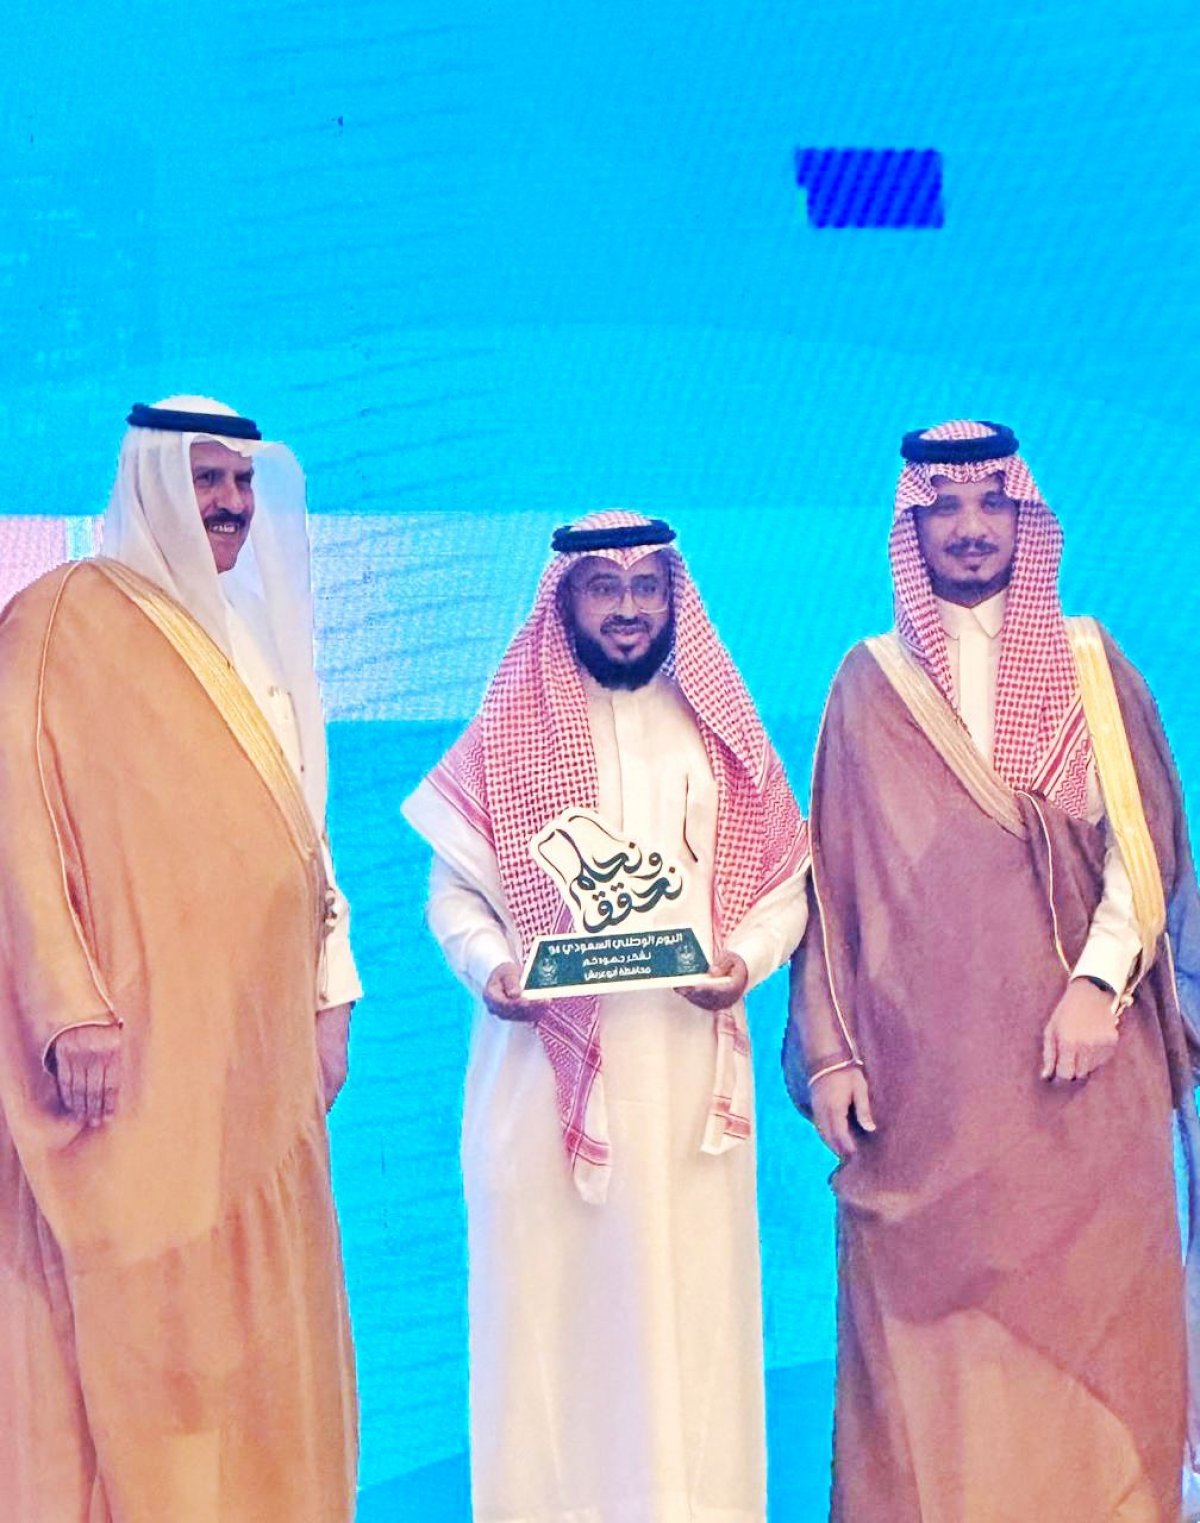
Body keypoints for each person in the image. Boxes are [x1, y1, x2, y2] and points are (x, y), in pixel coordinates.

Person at [785, 419, 1200, 1521]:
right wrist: (831, 1054)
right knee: (941, 1363)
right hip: (925, 1097)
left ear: (1025, 517)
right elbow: (830, 889)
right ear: (911, 529)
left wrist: (1097, 985)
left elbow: (1145, 849)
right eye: (945, 509)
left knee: (1096, 1328)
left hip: (1082, 1079)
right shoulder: (867, 683)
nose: (970, 529)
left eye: (990, 505)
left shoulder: (1091, 664)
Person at [404, 510, 810, 1523]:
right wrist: (493, 967)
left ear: (673, 597)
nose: (628, 608)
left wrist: (745, 962)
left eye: (646, 586)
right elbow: (452, 896)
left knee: (688, 1334)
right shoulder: (508, 736)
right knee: (548, 1335)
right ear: (567, 600)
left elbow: (784, 892)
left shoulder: (717, 735)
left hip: (686, 1092)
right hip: (541, 1086)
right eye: (604, 587)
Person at [0, 398, 359, 1521]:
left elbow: (303, 839)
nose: (230, 504)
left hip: (254, 1058)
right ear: (153, 481)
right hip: (131, 1059)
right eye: (207, 479)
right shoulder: (62, 619)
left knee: (252, 1333)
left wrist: (331, 992)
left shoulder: (259, 638)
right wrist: (68, 1008)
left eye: (244, 482)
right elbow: (16, 818)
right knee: (139, 1327)